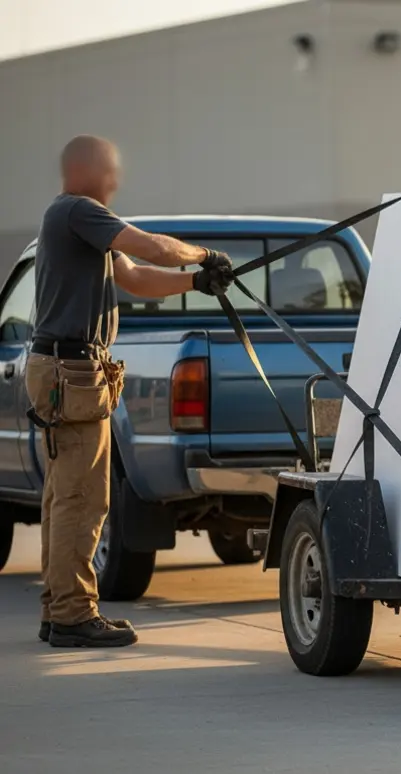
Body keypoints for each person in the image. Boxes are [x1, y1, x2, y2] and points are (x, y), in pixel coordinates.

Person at [29, 135, 236, 648]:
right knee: (82, 499)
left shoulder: (77, 224)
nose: (116, 180)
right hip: (72, 371)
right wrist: (203, 254)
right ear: (84, 170)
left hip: (68, 370)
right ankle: (74, 616)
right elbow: (149, 247)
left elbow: (137, 277)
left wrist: (195, 283)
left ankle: (60, 610)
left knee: (65, 497)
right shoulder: (80, 211)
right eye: (110, 170)